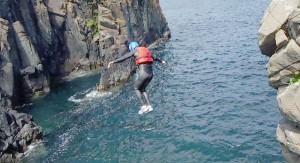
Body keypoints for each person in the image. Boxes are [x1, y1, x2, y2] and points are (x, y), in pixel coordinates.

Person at [108, 41, 166, 114]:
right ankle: (149, 106)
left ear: (132, 48)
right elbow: (154, 57)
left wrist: (113, 61)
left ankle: (143, 106)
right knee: (143, 89)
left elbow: (125, 57)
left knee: (136, 88)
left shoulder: (135, 50)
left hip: (143, 72)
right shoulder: (146, 50)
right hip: (150, 74)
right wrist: (162, 61)